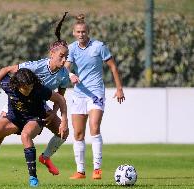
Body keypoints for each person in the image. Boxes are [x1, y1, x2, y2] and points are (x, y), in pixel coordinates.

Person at [0, 12, 69, 186]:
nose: (65, 59)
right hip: (17, 102)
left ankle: (45, 157)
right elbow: (7, 69)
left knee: (64, 132)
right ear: (51, 54)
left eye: (66, 56)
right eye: (62, 55)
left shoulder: (63, 74)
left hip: (38, 104)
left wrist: (54, 114)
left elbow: (60, 97)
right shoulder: (36, 66)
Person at [0, 68, 68, 187]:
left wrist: (64, 119)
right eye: (25, 88)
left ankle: (33, 177)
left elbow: (60, 99)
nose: (29, 90)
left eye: (30, 87)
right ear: (17, 85)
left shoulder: (39, 89)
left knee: (25, 135)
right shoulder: (8, 84)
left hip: (33, 119)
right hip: (13, 119)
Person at [65, 14, 125, 180]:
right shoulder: (71, 49)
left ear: (88, 32)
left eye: (84, 31)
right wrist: (70, 75)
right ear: (73, 33)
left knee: (94, 127)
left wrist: (119, 88)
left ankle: (97, 169)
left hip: (96, 93)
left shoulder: (99, 46)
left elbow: (113, 67)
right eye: (78, 32)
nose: (81, 34)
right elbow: (65, 68)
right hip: (79, 94)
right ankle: (80, 171)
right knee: (78, 134)